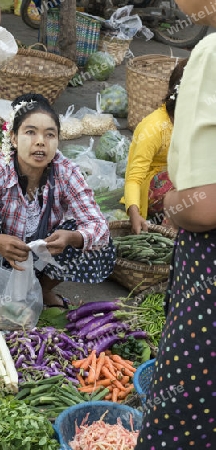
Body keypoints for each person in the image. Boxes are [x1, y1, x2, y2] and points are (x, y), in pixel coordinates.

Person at [0, 93, 116, 310]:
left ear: (57, 140)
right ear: (13, 138)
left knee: (93, 239)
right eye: (30, 132)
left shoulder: (66, 172)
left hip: (38, 261)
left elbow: (99, 228)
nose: (40, 141)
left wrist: (73, 237)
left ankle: (39, 292)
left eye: (49, 134)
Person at [134, 1, 216, 448]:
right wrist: (139, 210)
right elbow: (135, 175)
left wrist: (172, 203)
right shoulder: (150, 129)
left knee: (185, 423)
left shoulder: (211, 53)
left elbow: (205, 209)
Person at [121, 58, 188, 234]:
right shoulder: (154, 127)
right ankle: (171, 230)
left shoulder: (193, 121)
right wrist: (134, 213)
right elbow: (134, 177)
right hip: (153, 185)